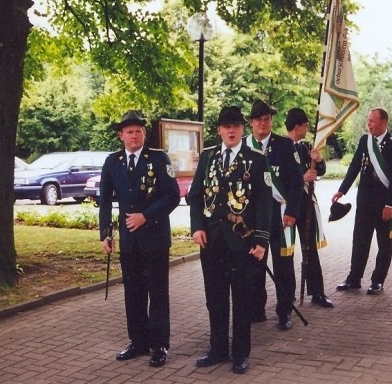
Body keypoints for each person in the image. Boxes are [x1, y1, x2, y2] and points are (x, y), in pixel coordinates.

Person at [189, 105, 273, 374]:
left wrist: (261, 240)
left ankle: (240, 353)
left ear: (243, 129)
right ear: (219, 130)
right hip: (212, 242)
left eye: (236, 125)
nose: (232, 130)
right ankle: (217, 349)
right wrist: (196, 227)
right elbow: (195, 196)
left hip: (242, 242)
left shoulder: (256, 159)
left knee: (242, 299)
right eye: (226, 126)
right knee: (215, 297)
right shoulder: (208, 158)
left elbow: (264, 204)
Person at [99, 110, 181, 367]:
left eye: (138, 131)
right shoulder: (112, 162)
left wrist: (146, 216)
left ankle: (159, 346)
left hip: (154, 239)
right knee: (133, 293)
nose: (134, 135)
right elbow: (104, 202)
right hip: (129, 241)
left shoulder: (157, 159)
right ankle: (138, 341)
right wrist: (106, 234)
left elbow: (172, 196)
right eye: (129, 131)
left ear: (144, 134)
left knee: (157, 294)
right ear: (120, 135)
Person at [332, 107, 392, 295]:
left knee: (384, 244)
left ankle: (377, 281)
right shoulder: (365, 141)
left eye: (372, 121)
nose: (369, 124)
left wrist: (390, 204)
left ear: (383, 123)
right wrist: (342, 190)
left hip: (384, 205)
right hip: (364, 202)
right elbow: (355, 166)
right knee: (360, 242)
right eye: (368, 120)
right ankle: (354, 278)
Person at [245, 99, 304, 331]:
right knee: (254, 265)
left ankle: (284, 311)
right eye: (258, 119)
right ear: (251, 123)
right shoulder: (244, 146)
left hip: (280, 217)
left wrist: (292, 212)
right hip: (253, 219)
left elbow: (297, 182)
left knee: (283, 266)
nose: (263, 123)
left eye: (267, 119)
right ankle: (257, 309)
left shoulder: (285, 145)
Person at [285, 108, 333, 308]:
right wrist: (301, 178)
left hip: (305, 204)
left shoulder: (306, 148)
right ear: (297, 127)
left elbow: (320, 170)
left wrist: (319, 160)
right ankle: (287, 293)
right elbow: (278, 177)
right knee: (285, 251)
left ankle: (317, 292)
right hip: (286, 205)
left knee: (309, 249)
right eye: (305, 125)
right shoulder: (282, 147)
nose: (307, 129)